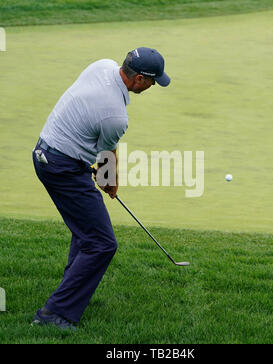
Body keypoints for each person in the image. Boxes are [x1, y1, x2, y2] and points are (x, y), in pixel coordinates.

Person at [31, 47, 170, 330]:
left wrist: (99, 174)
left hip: (47, 152)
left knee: (87, 233)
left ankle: (72, 291)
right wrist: (111, 184)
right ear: (140, 79)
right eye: (154, 81)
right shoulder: (115, 116)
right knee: (102, 243)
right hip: (61, 167)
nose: (154, 86)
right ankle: (53, 315)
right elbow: (107, 160)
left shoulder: (103, 65)